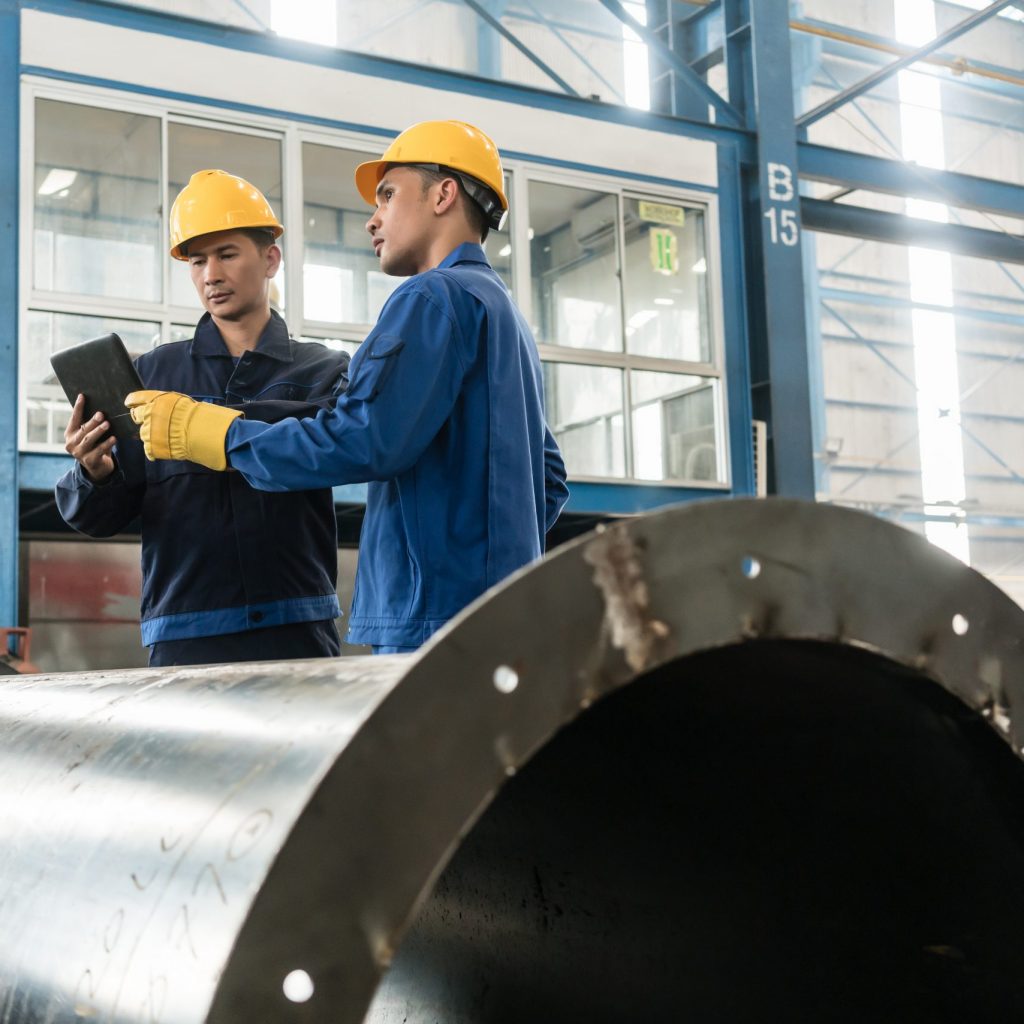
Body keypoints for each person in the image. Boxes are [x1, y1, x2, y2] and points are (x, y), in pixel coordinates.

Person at [127, 121, 569, 654]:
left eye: (387, 195)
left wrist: (216, 433)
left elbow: (363, 439)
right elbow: (548, 477)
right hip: (499, 613)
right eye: (197, 261)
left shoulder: (429, 299)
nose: (372, 219)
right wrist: (484, 561)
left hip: (432, 622)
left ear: (444, 194)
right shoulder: (503, 314)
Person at [56, 170, 350, 666]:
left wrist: (207, 421)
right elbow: (97, 517)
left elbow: (335, 455)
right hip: (186, 632)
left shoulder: (323, 370)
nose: (210, 274)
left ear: (271, 258)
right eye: (197, 261)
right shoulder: (149, 376)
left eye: (227, 254)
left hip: (295, 625)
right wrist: (95, 473)